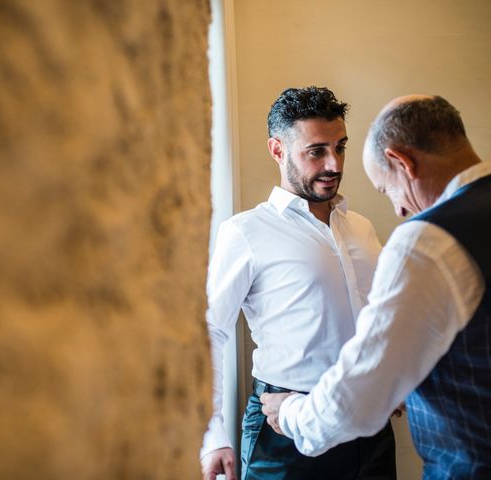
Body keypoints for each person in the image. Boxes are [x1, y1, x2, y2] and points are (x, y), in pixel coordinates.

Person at [261, 94, 491, 479]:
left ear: (403, 163)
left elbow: (359, 400)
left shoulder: (429, 241)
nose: (400, 211)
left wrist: (289, 413)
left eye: (388, 190)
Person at [200, 86, 397, 480]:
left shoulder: (361, 228)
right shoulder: (245, 232)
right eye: (316, 151)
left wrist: (388, 380)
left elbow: (382, 315)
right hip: (282, 429)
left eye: (340, 147)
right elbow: (211, 331)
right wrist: (212, 434)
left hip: (365, 422)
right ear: (278, 150)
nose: (334, 164)